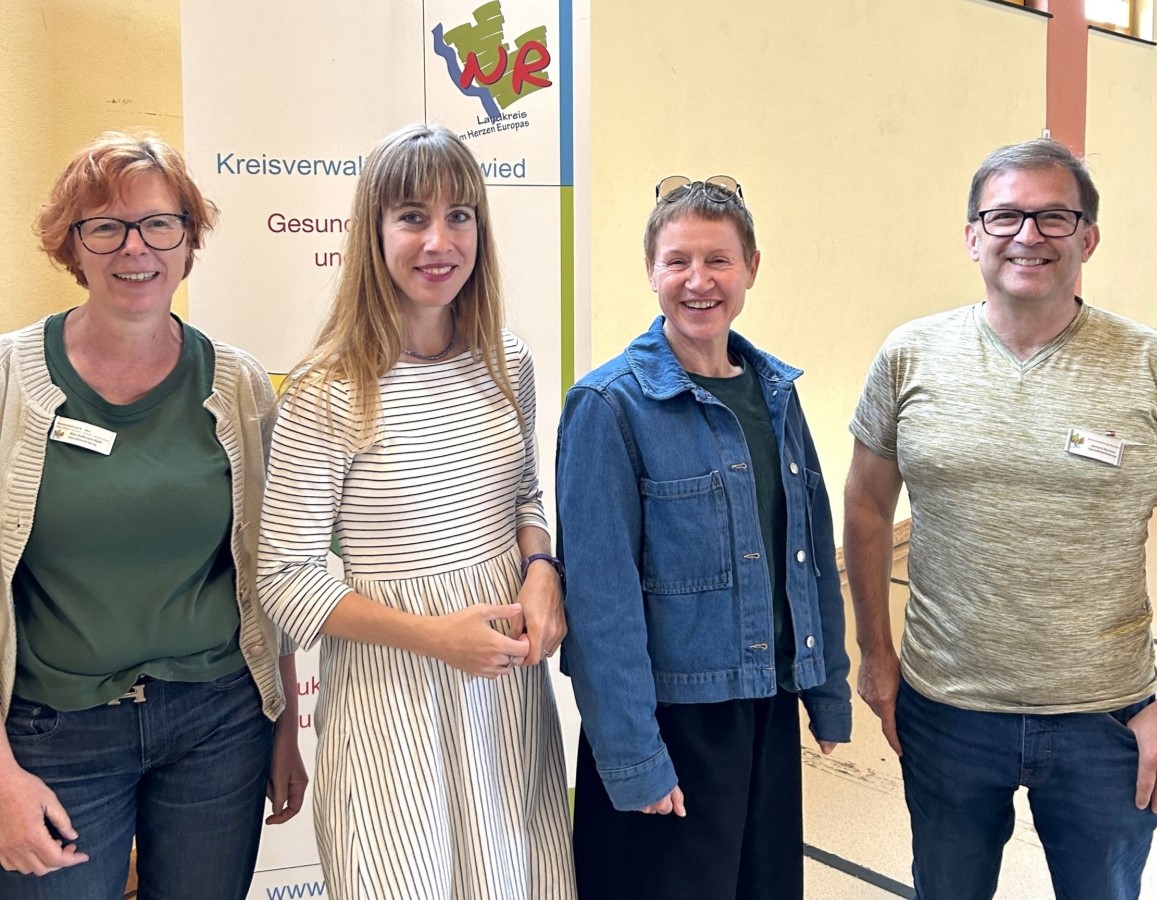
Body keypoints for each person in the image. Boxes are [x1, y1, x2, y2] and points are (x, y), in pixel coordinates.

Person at [843, 138, 1157, 900]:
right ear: (972, 234)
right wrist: (876, 658)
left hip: (1104, 724)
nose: (1028, 235)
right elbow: (868, 508)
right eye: (1004, 215)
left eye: (1054, 216)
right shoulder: (910, 355)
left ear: (1089, 237)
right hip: (947, 714)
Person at [256, 123, 574, 900]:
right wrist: (436, 638)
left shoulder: (509, 360)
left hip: (503, 696)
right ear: (373, 231)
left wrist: (542, 567)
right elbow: (286, 579)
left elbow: (524, 496)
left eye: (459, 215)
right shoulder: (327, 390)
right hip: (392, 702)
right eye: (411, 216)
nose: (440, 240)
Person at [0, 132, 307, 899]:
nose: (134, 247)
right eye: (104, 226)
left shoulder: (236, 386)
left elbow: (270, 568)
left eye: (158, 223)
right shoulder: (9, 380)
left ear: (188, 236)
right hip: (53, 732)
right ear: (70, 244)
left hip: (217, 722)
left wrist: (283, 726)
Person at [556, 176, 851, 900]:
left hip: (765, 705)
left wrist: (827, 689)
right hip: (670, 724)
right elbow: (601, 602)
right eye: (677, 260)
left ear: (751, 267)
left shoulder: (774, 393)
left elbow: (807, 548)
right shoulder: (608, 406)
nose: (698, 281)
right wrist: (633, 757)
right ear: (651, 271)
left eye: (718, 260)